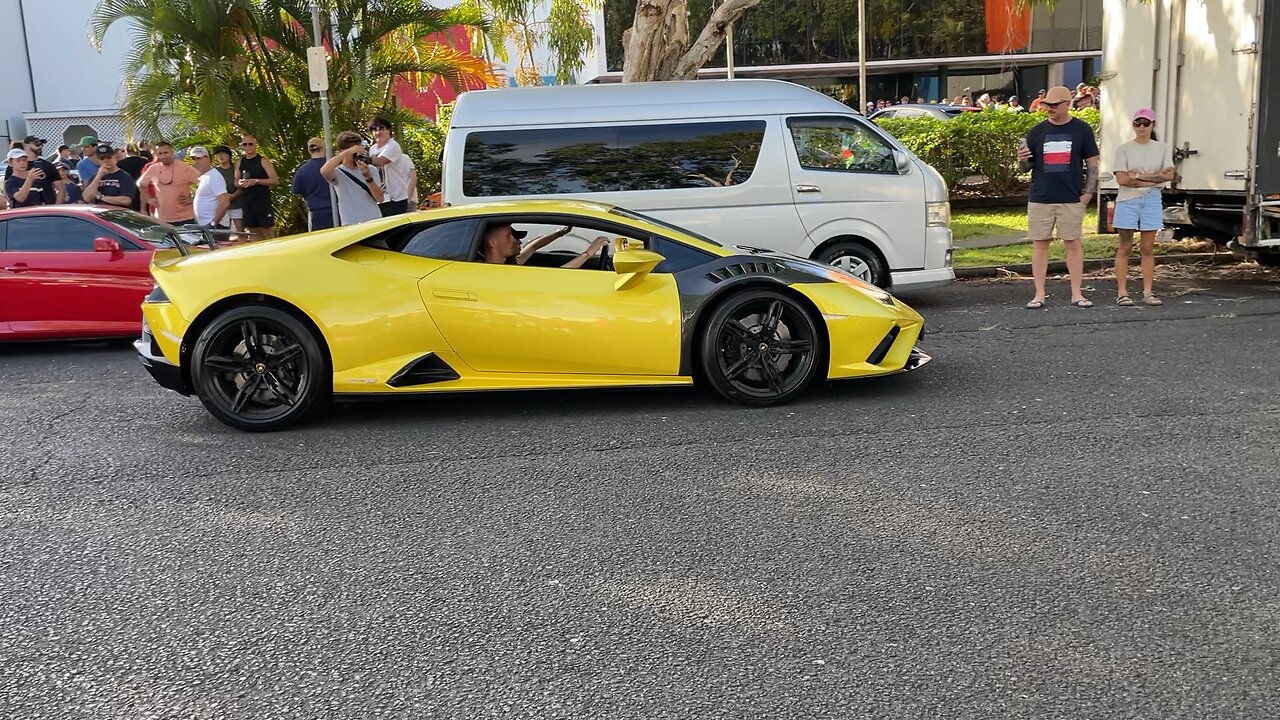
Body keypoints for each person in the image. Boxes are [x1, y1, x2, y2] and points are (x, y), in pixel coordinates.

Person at [1017, 85, 1101, 309]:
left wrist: (1088, 194)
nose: (1050, 109)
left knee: (1073, 243)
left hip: (1071, 197)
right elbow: (1026, 167)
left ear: (1067, 104)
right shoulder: (1036, 131)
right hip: (1040, 196)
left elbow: (1093, 163)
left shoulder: (1082, 129)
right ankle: (1039, 294)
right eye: (1047, 105)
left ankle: (1077, 293)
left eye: (1055, 105)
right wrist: (1022, 158)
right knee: (1040, 244)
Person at [1111, 108, 1174, 307]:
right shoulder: (1124, 149)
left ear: (1152, 124)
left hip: (1152, 199)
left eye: (1145, 123)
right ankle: (1122, 292)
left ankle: (1148, 292)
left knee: (1147, 247)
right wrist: (1154, 178)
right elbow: (1122, 179)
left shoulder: (1162, 148)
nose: (1141, 127)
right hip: (1128, 200)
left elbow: (1169, 175)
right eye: (1137, 123)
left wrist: (1137, 176)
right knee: (1125, 246)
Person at [321, 130, 384, 226]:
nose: (357, 156)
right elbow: (324, 171)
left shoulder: (370, 169)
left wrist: (368, 176)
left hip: (374, 221)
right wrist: (347, 153)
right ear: (343, 151)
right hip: (351, 224)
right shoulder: (338, 172)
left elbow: (380, 199)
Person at [479, 223, 609, 269]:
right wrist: (588, 253)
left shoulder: (509, 264)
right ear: (492, 243)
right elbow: (559, 274)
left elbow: (533, 247)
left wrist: (560, 233)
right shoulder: (500, 274)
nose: (517, 241)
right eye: (509, 236)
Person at [137, 141, 201, 225]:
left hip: (185, 219)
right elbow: (140, 184)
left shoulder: (185, 168)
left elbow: (203, 183)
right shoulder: (153, 168)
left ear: (172, 152)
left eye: (166, 152)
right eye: (160, 153)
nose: (163, 156)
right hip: (162, 219)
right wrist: (149, 200)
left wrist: (193, 199)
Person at [234, 134, 279, 239]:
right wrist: (240, 183)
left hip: (262, 202)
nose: (248, 146)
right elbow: (235, 182)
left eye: (250, 144)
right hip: (248, 202)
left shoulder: (263, 161)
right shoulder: (240, 162)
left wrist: (256, 181)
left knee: (267, 230)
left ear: (255, 145)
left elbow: (275, 180)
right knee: (252, 231)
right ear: (242, 146)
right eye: (245, 144)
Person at [367, 116, 413, 216]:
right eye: (375, 129)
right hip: (381, 197)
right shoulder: (372, 149)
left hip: (396, 197)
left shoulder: (393, 145)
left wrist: (366, 160)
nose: (378, 132)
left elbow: (381, 161)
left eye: (382, 128)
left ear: (388, 130)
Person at [291, 137, 333, 230]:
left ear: (309, 150)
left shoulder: (302, 170)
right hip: (336, 209)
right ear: (323, 148)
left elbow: (297, 192)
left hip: (317, 213)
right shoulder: (332, 166)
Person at [82, 143, 138, 209]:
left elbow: (126, 200)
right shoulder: (95, 177)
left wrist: (101, 197)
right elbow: (86, 197)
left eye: (108, 157)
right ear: (98, 160)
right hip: (99, 214)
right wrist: (98, 177)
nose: (106, 160)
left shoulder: (125, 177)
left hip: (118, 214)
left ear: (114, 157)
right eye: (102, 158)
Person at [189, 146, 231, 228]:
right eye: (194, 159)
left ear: (208, 158)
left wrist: (213, 224)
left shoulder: (214, 176)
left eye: (199, 158)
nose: (196, 161)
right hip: (205, 225)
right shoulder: (204, 176)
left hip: (216, 226)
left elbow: (224, 202)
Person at [211, 146, 243, 234]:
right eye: (218, 154)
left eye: (223, 153)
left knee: (240, 230)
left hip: (237, 204)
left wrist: (233, 196)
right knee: (222, 233)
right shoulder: (214, 171)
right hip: (221, 207)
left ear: (229, 156)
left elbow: (242, 186)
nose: (221, 156)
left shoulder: (236, 170)